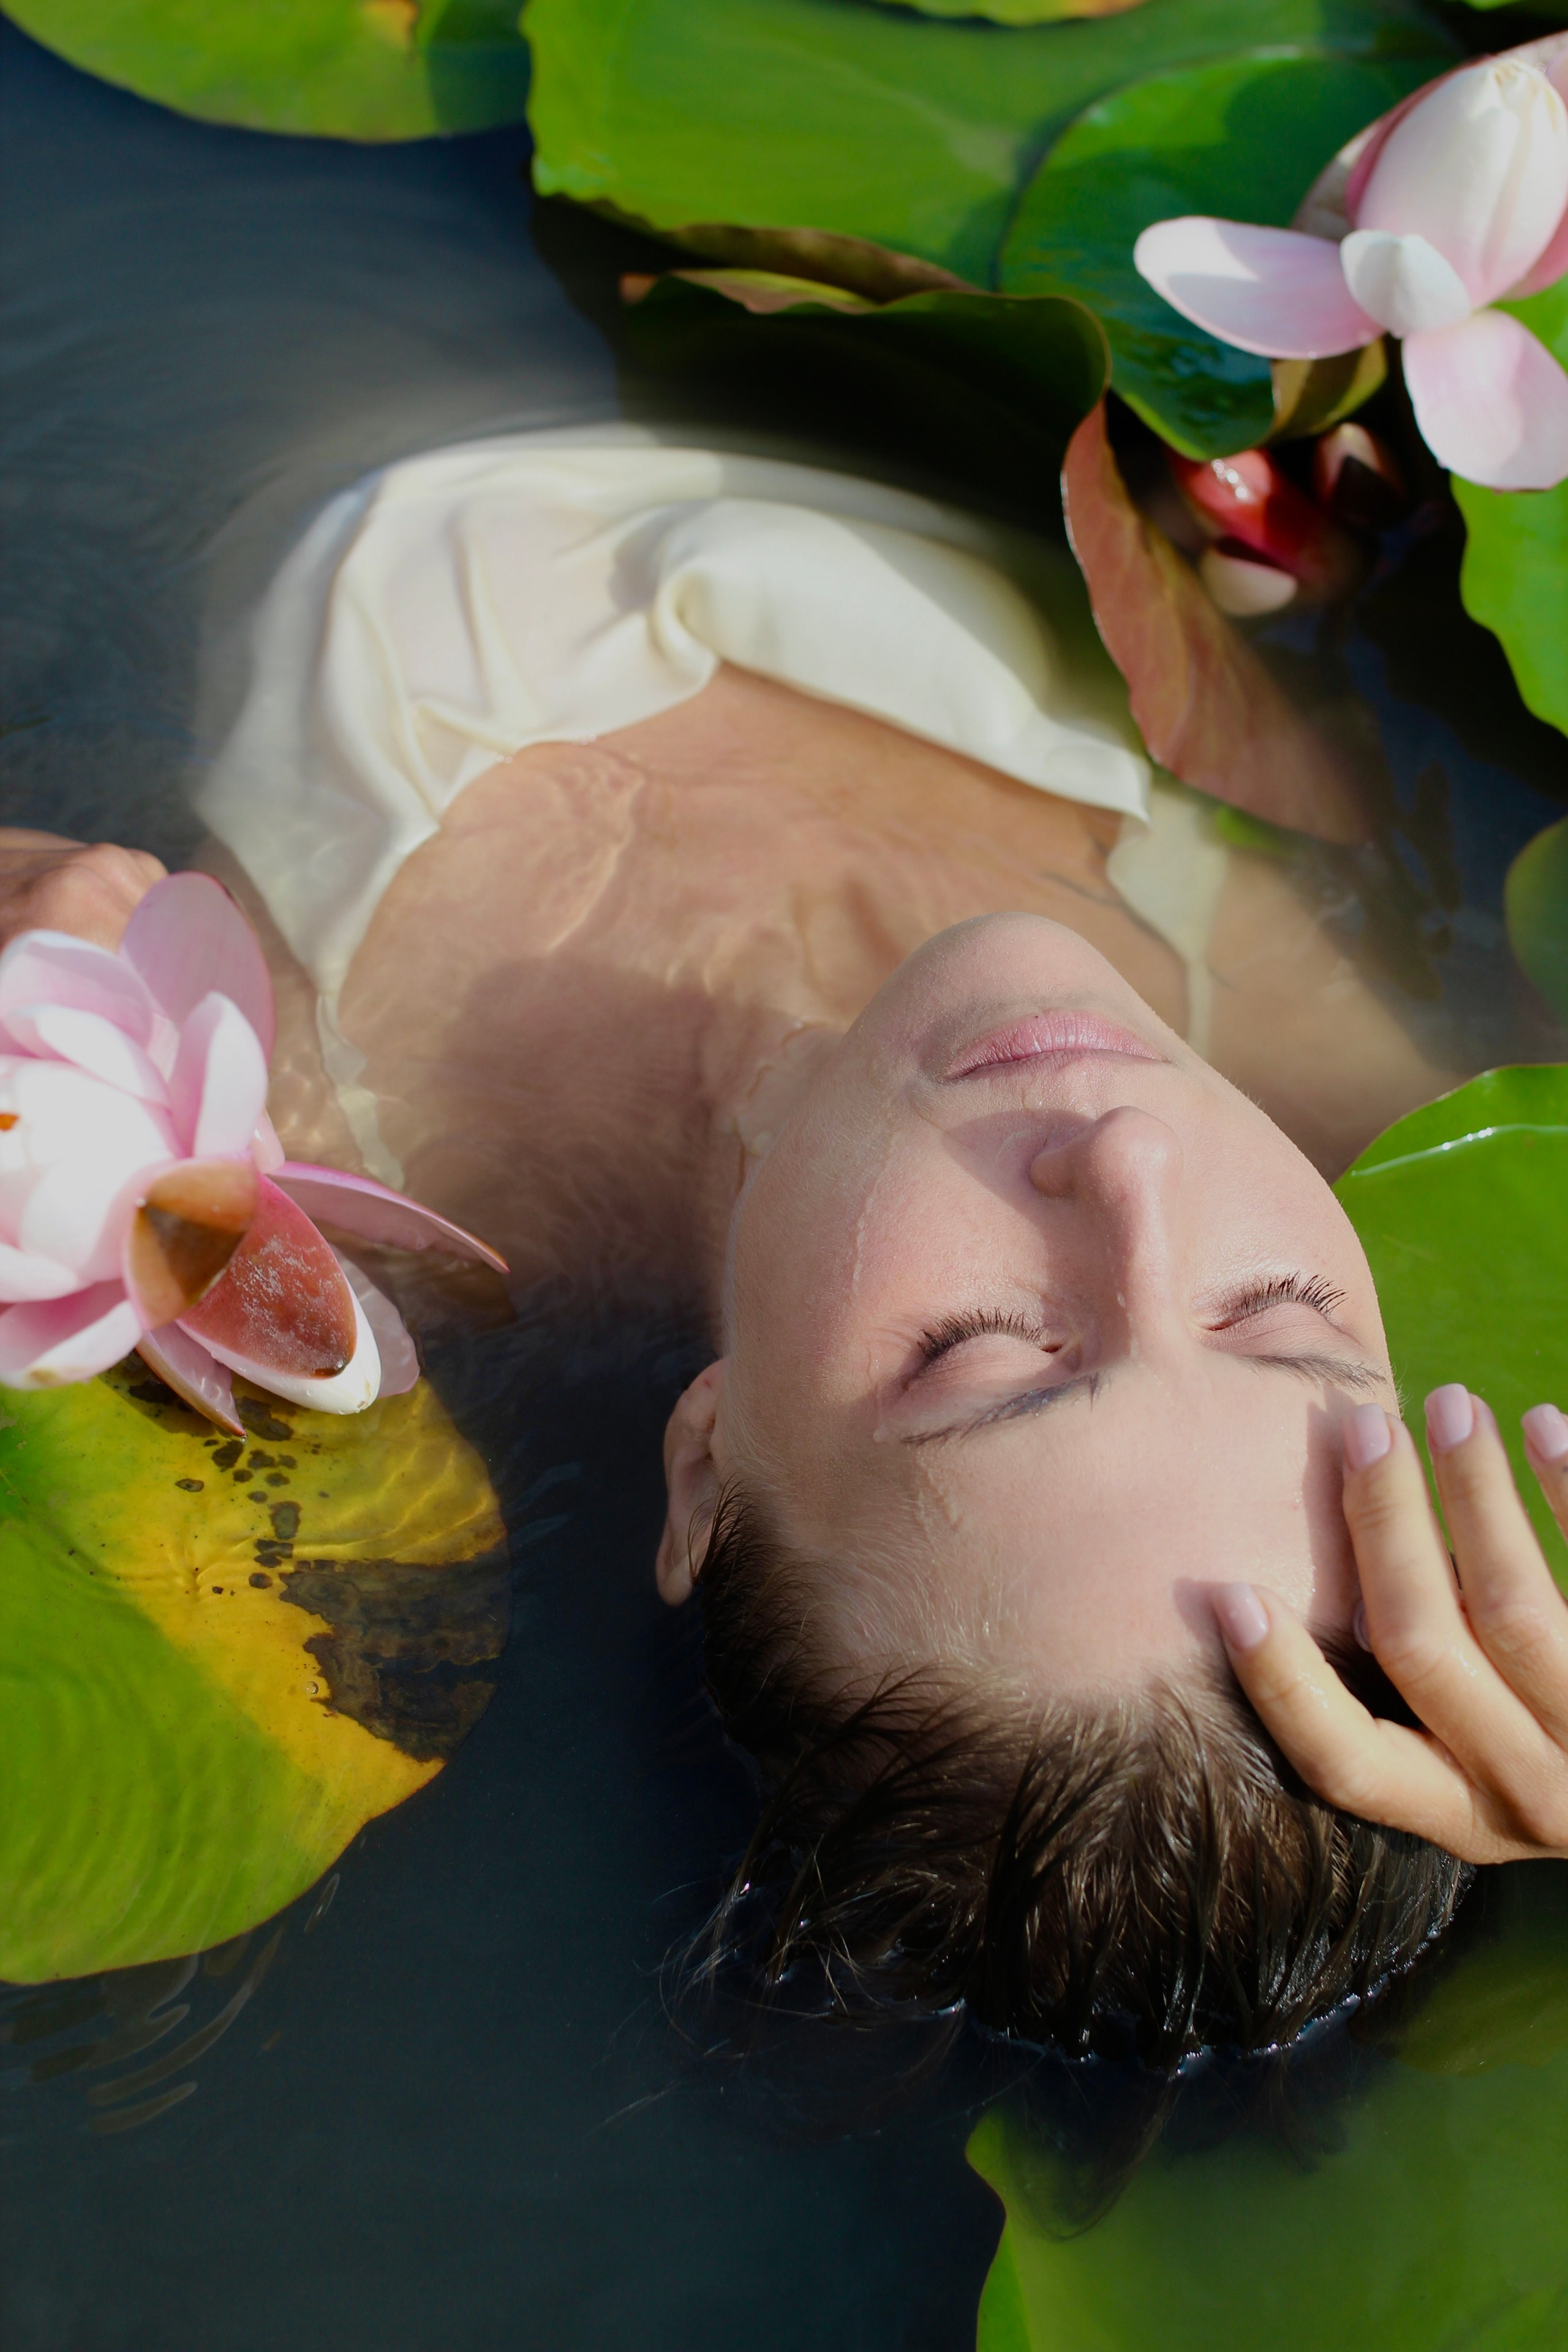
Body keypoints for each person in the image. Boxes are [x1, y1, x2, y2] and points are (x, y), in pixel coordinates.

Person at [6, 432, 1567, 2062]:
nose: (1134, 1164)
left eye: (989, 1352)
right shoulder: (1356, 1048)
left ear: (706, 1467)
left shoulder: (189, 1116)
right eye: (1279, 1313)